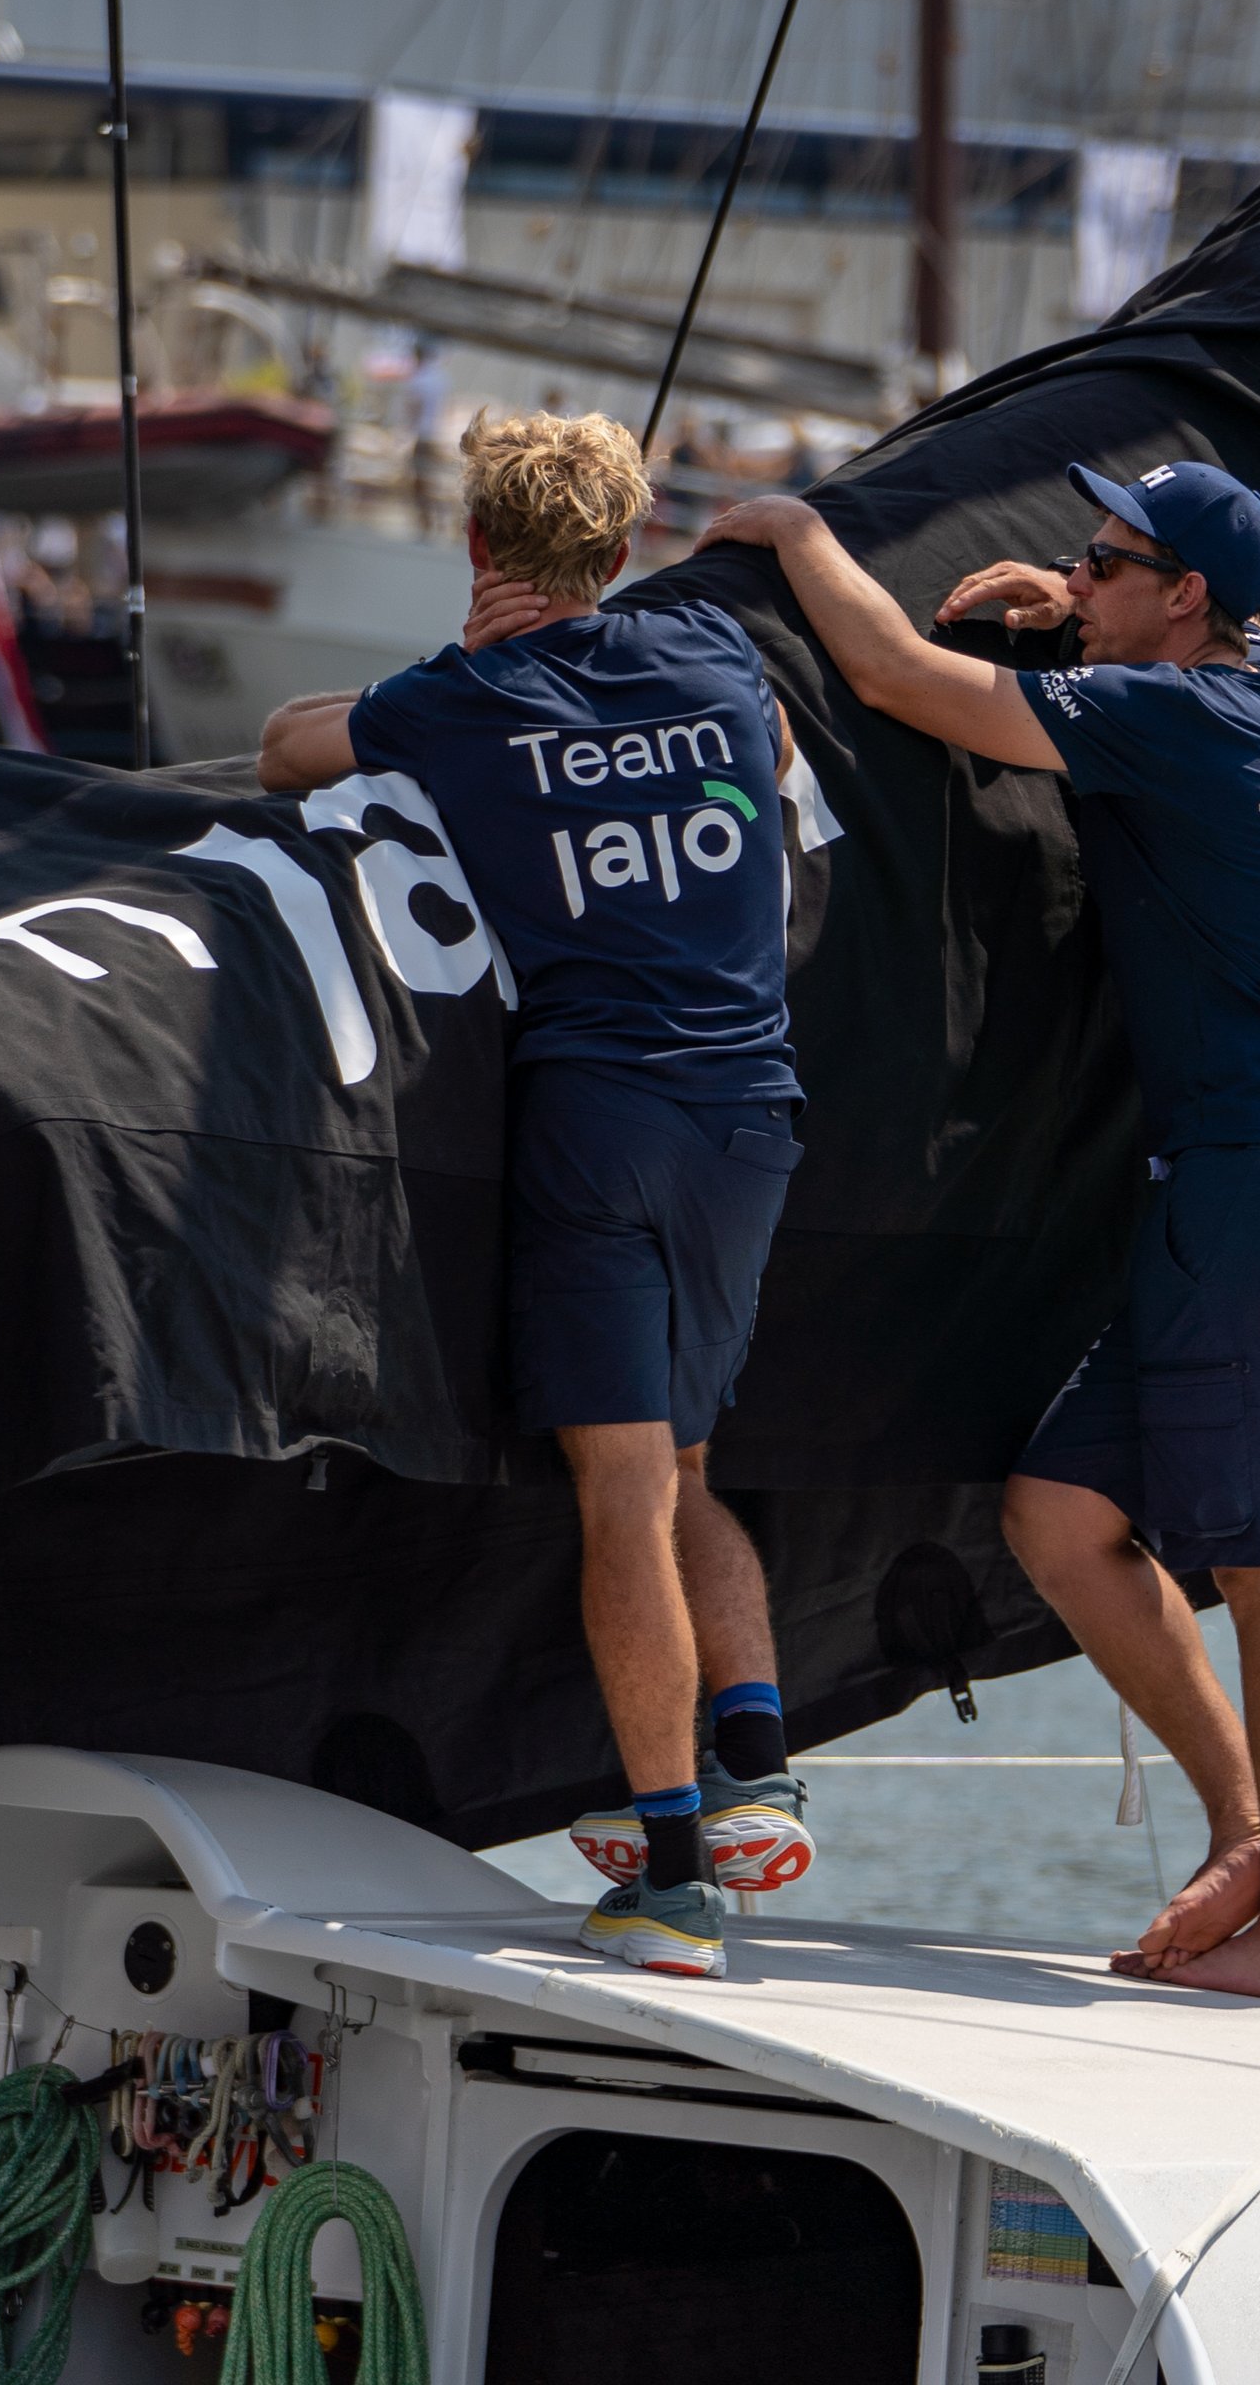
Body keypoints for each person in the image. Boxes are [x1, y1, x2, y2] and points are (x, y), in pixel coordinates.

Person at [479, 456, 1260, 2008]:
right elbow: (1178, 641)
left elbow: (900, 680)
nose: (1074, 577)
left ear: (1187, 599)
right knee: (1060, 1515)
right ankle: (1249, 1835)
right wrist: (1075, 609)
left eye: (1106, 563)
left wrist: (796, 531)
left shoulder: (1173, 719)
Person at [260, 410, 813, 1983]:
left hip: (600, 1124)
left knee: (622, 1490)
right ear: (626, 547)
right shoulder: (714, 656)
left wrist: (464, 663)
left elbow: (284, 748)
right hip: (752, 1117)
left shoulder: (460, 699)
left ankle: (674, 1883)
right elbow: (776, 755)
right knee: (687, 1459)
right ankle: (756, 1763)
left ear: (477, 545)